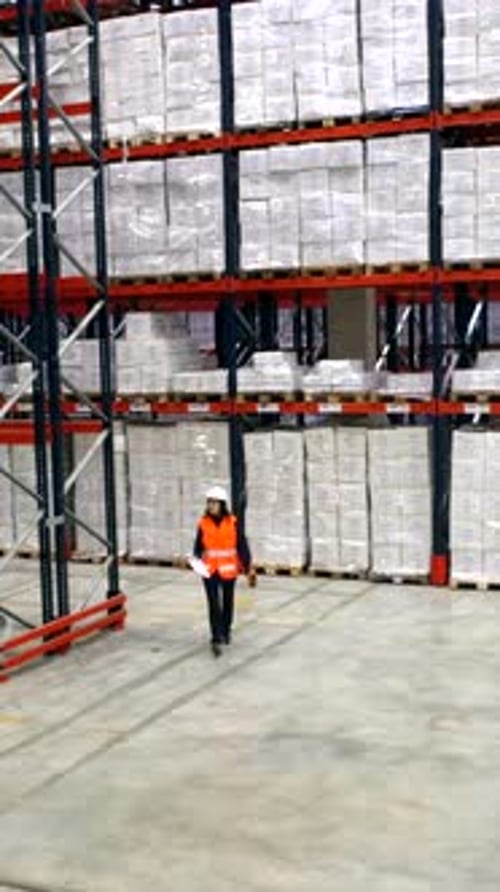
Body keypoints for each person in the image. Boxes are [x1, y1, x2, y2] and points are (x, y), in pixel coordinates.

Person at [193, 485, 256, 657]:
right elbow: (198, 546)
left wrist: (247, 566)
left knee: (228, 601)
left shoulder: (233, 523)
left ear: (222, 504)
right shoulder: (203, 523)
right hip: (210, 569)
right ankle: (216, 635)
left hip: (228, 569)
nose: (211, 506)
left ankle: (226, 630)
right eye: (209, 503)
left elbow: (241, 544)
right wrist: (196, 560)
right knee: (213, 603)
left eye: (215, 503)